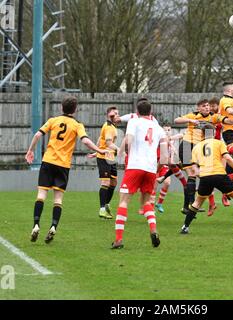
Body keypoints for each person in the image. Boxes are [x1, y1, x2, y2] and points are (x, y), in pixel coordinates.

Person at [25, 96, 108, 243]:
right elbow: (85, 140)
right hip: (63, 165)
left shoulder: (53, 120)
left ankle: (36, 225)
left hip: (48, 162)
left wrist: (30, 151)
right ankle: (53, 227)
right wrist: (99, 150)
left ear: (61, 108)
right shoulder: (77, 125)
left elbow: (38, 134)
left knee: (41, 194)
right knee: (58, 199)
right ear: (75, 110)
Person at [112, 100, 168, 249]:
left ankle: (118, 239)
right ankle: (153, 229)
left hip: (135, 166)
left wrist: (125, 154)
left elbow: (129, 140)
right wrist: (156, 170)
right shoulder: (159, 128)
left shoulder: (134, 122)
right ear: (151, 112)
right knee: (147, 203)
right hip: (150, 169)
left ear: (137, 111)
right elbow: (164, 157)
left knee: (124, 201)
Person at [180, 123, 233, 234]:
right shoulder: (218, 143)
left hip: (205, 177)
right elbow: (228, 158)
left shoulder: (196, 147)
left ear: (202, 134)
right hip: (219, 174)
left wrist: (203, 174)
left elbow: (194, 169)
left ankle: (185, 227)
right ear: (214, 133)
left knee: (197, 203)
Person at [174, 99, 233, 215]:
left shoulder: (213, 117)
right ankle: (190, 205)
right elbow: (176, 120)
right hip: (187, 145)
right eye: (203, 106)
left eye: (207, 106)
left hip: (199, 148)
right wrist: (190, 120)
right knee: (192, 175)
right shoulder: (193, 116)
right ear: (198, 108)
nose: (207, 107)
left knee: (201, 175)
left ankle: (190, 205)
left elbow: (226, 120)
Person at [88, 106, 121, 219]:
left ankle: (106, 205)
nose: (117, 115)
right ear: (109, 115)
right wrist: (121, 151)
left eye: (118, 113)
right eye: (115, 114)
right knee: (106, 183)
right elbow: (108, 144)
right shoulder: (108, 127)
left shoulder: (111, 126)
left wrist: (95, 150)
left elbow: (99, 139)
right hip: (104, 157)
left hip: (110, 158)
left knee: (114, 182)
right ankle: (102, 209)